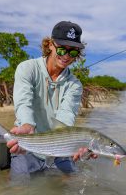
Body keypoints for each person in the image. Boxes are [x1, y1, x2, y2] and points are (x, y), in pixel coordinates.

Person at [7, 21, 97, 178]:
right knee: (19, 187)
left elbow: (66, 117)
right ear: (50, 45)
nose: (66, 56)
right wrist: (28, 126)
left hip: (59, 148)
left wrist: (78, 146)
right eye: (61, 49)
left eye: (73, 52)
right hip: (28, 143)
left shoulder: (75, 85)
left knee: (70, 183)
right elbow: (23, 103)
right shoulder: (27, 68)